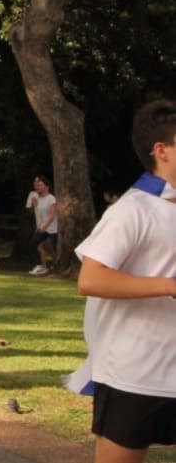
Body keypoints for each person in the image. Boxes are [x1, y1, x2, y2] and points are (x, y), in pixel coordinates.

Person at [74, 99, 176, 463]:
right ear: (161, 151)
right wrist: (170, 286)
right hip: (135, 371)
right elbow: (91, 279)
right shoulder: (133, 209)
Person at [27, 175, 57, 276]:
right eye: (37, 185)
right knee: (35, 245)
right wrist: (33, 204)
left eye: (40, 185)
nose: (38, 187)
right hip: (41, 228)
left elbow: (52, 215)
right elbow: (34, 212)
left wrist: (45, 226)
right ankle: (42, 267)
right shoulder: (37, 198)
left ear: (47, 187)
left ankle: (55, 266)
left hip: (51, 228)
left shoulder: (51, 198)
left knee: (49, 248)